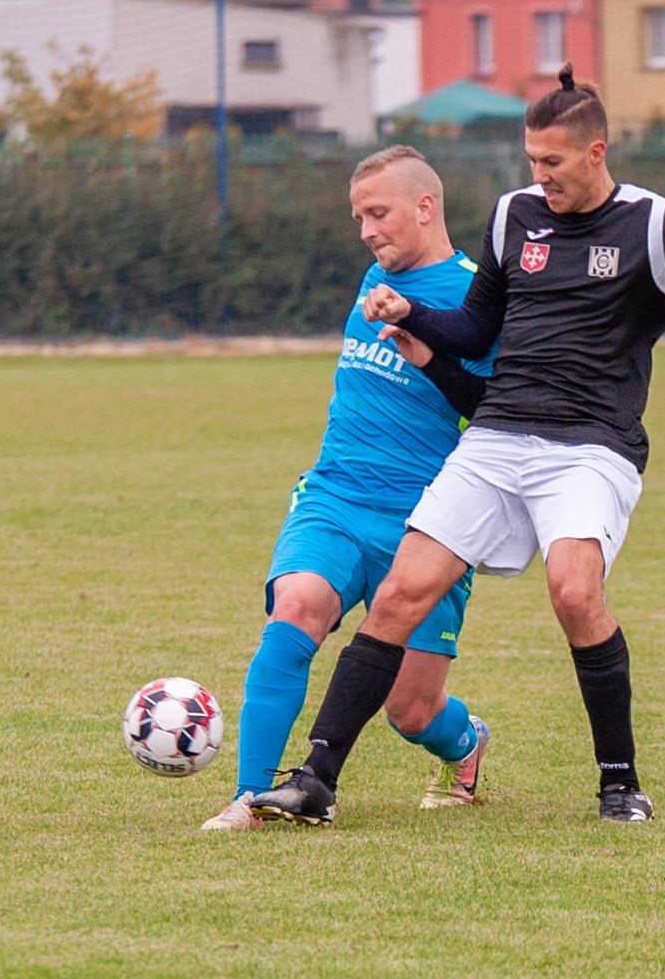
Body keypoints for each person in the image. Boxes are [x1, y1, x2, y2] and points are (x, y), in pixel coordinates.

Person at [250, 63, 665, 826]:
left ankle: (620, 781)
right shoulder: (514, 217)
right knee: (402, 591)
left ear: (596, 152)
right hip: (497, 436)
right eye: (532, 161)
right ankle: (317, 777)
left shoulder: (655, 224)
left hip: (591, 447)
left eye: (554, 163)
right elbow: (475, 329)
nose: (540, 177)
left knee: (574, 590)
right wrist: (414, 317)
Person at [202, 146, 497, 830]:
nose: (365, 229)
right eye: (358, 216)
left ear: (426, 207)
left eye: (378, 212)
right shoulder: (375, 276)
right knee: (296, 609)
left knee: (410, 709)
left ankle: (467, 743)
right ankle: (251, 799)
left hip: (429, 523)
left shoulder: (480, 300)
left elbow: (495, 405)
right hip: (335, 496)